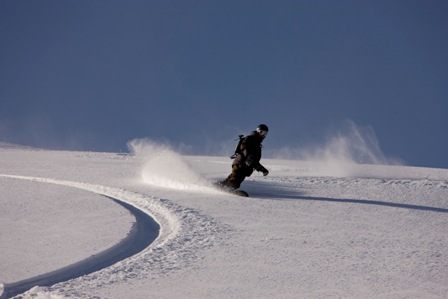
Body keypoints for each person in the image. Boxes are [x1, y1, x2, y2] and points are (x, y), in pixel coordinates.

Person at [219, 124, 269, 190]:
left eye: (266, 134)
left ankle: (218, 186)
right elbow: (244, 147)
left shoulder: (258, 145)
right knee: (235, 180)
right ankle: (229, 189)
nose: (264, 135)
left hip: (245, 167)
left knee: (232, 178)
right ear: (258, 131)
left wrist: (263, 169)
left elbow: (255, 162)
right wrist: (248, 156)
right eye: (263, 132)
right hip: (240, 163)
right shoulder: (250, 138)